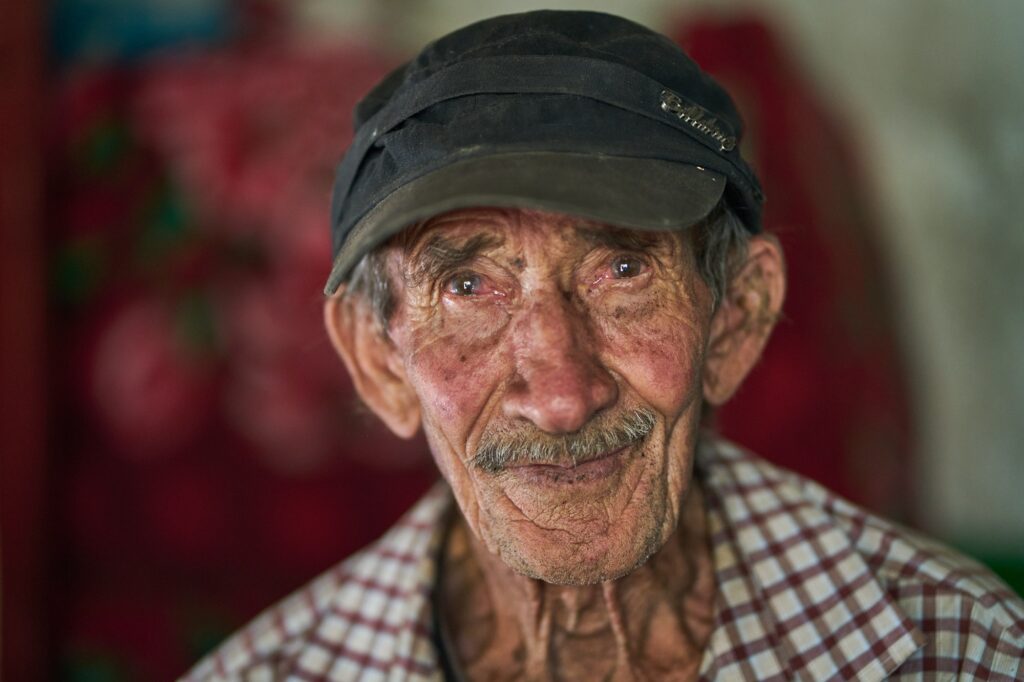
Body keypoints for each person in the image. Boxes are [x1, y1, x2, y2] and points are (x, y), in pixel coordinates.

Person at [183, 10, 1023, 681]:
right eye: (468, 288)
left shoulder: (960, 651)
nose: (560, 393)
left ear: (735, 316)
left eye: (623, 269)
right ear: (378, 359)